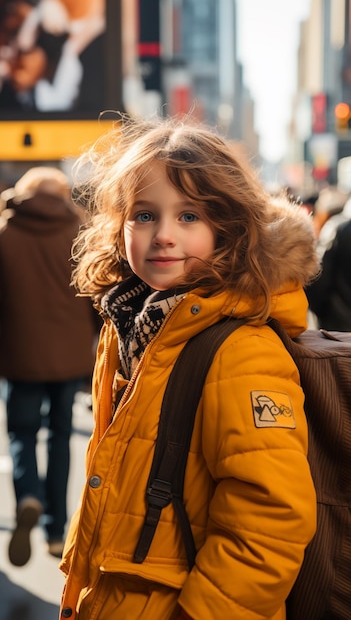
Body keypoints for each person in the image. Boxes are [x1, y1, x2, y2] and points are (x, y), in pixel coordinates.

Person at [59, 115, 320, 620]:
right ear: (118, 225)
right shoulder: (130, 325)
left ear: (228, 229)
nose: (163, 236)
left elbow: (271, 522)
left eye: (189, 217)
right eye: (143, 215)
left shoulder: (242, 349)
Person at [0, 166, 99, 567]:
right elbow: (97, 296)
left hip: (20, 355)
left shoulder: (4, 234)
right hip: (71, 355)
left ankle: (28, 495)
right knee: (61, 439)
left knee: (22, 432)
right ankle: (57, 531)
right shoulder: (80, 235)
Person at [305, 196, 351, 331]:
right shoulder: (338, 228)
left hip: (338, 325)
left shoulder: (337, 228)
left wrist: (319, 311)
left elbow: (320, 276)